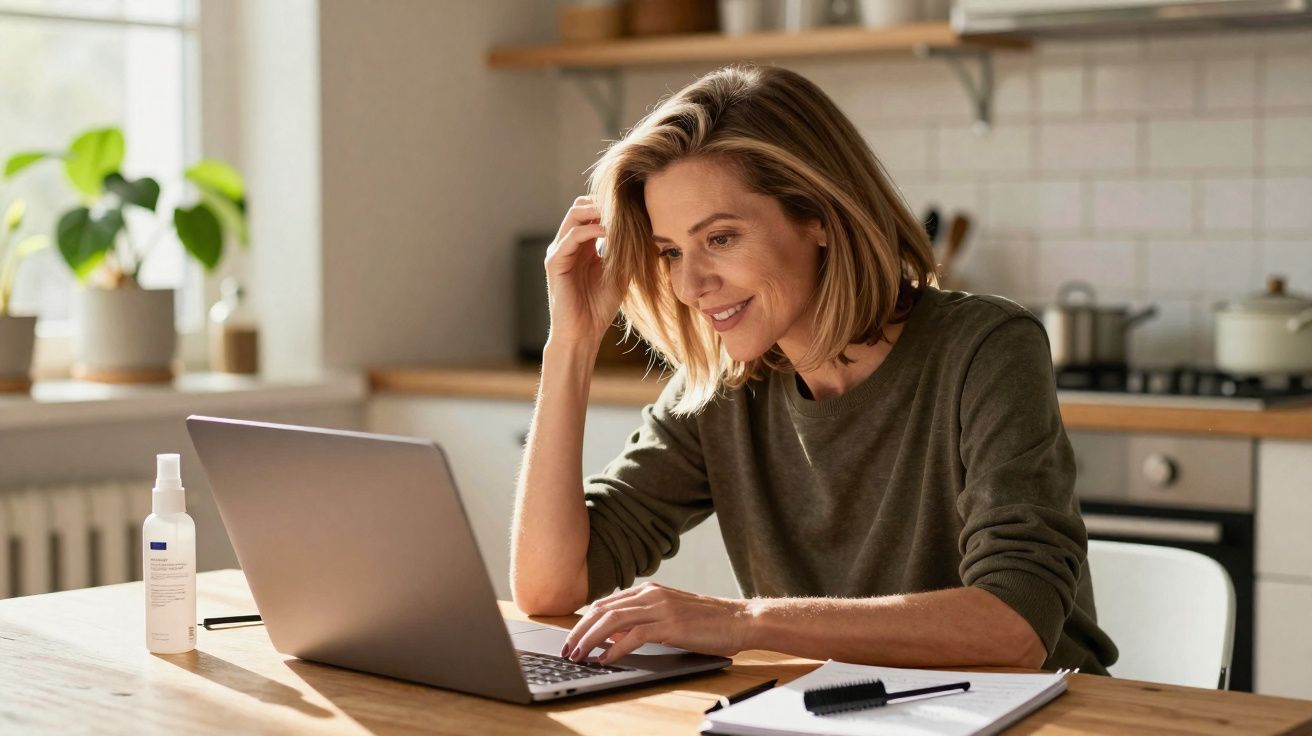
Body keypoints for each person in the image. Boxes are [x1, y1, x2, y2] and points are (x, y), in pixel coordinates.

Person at [510, 64, 1118, 675]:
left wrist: (742, 622)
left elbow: (1014, 628)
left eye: (720, 239)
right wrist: (572, 340)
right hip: (837, 711)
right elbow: (552, 587)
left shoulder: (985, 348)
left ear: (818, 216)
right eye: (671, 251)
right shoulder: (725, 384)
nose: (690, 285)